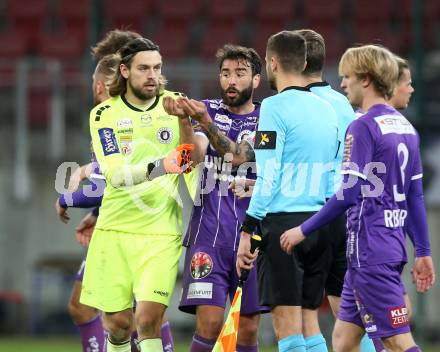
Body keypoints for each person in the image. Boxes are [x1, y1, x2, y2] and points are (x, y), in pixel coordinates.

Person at [279, 44, 435, 352]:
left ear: (366, 79)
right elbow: (415, 196)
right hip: (387, 246)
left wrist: (303, 229)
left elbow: (349, 192)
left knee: (397, 340)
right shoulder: (405, 127)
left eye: (347, 76)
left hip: (369, 250)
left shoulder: (362, 126)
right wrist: (423, 251)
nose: (343, 83)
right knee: (344, 341)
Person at [80, 37, 192, 352]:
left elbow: (188, 161)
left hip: (160, 232)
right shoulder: (104, 115)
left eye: (157, 68)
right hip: (115, 231)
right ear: (126, 71)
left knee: (147, 320)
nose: (152, 75)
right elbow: (115, 175)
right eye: (144, 68)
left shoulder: (175, 103)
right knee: (118, 324)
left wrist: (184, 121)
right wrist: (162, 166)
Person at [236, 31, 338, 352]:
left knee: (288, 331)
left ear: (272, 63)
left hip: (283, 227)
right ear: (305, 62)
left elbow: (269, 174)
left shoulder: (273, 108)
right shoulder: (327, 109)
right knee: (311, 327)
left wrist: (248, 230)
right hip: (319, 224)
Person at [164, 44, 267, 352]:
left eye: (240, 73)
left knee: (247, 328)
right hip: (209, 233)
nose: (231, 81)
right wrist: (185, 119)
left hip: (254, 236)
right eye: (225, 74)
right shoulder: (208, 109)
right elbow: (191, 158)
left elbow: (242, 157)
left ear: (257, 80)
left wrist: (204, 121)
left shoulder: (269, 119)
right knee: (209, 323)